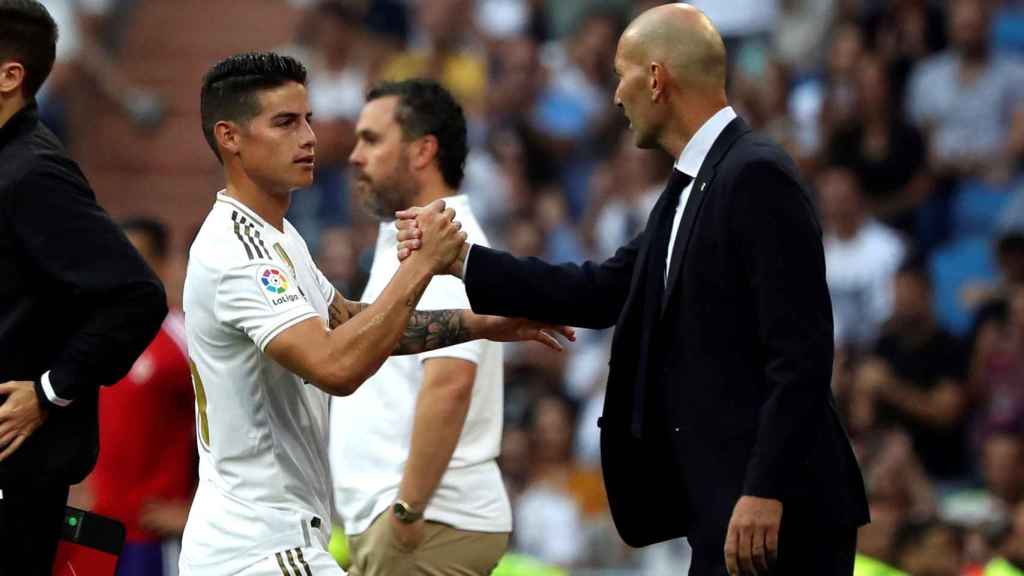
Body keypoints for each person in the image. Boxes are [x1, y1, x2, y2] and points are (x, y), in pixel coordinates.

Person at [398, 4, 869, 574]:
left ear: (655, 77)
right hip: (725, 512)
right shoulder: (692, 184)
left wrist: (766, 489)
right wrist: (466, 261)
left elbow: (803, 353)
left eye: (621, 75)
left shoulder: (754, 174)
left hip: (779, 515)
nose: (615, 96)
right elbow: (601, 292)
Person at [179, 52, 569, 576]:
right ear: (230, 137)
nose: (311, 138)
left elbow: (352, 323)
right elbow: (336, 367)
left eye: (308, 120)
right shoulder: (239, 250)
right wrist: (423, 266)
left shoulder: (278, 237)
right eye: (285, 122)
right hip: (260, 545)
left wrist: (482, 325)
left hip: (278, 537)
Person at [0, 1, 168, 573]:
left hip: (14, 482)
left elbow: (136, 295)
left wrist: (50, 390)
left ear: (10, 76)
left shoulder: (33, 172)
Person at [331, 78, 509, 576]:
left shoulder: (448, 242)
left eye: (371, 139)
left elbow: (450, 381)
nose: (353, 156)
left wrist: (408, 511)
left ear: (423, 150)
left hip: (427, 524)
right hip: (411, 523)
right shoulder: (404, 240)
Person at [83, 218, 196, 576]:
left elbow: (235, 424)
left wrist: (195, 509)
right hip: (99, 532)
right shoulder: (99, 340)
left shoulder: (183, 343)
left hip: (153, 538)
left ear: (162, 265)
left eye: (137, 260)